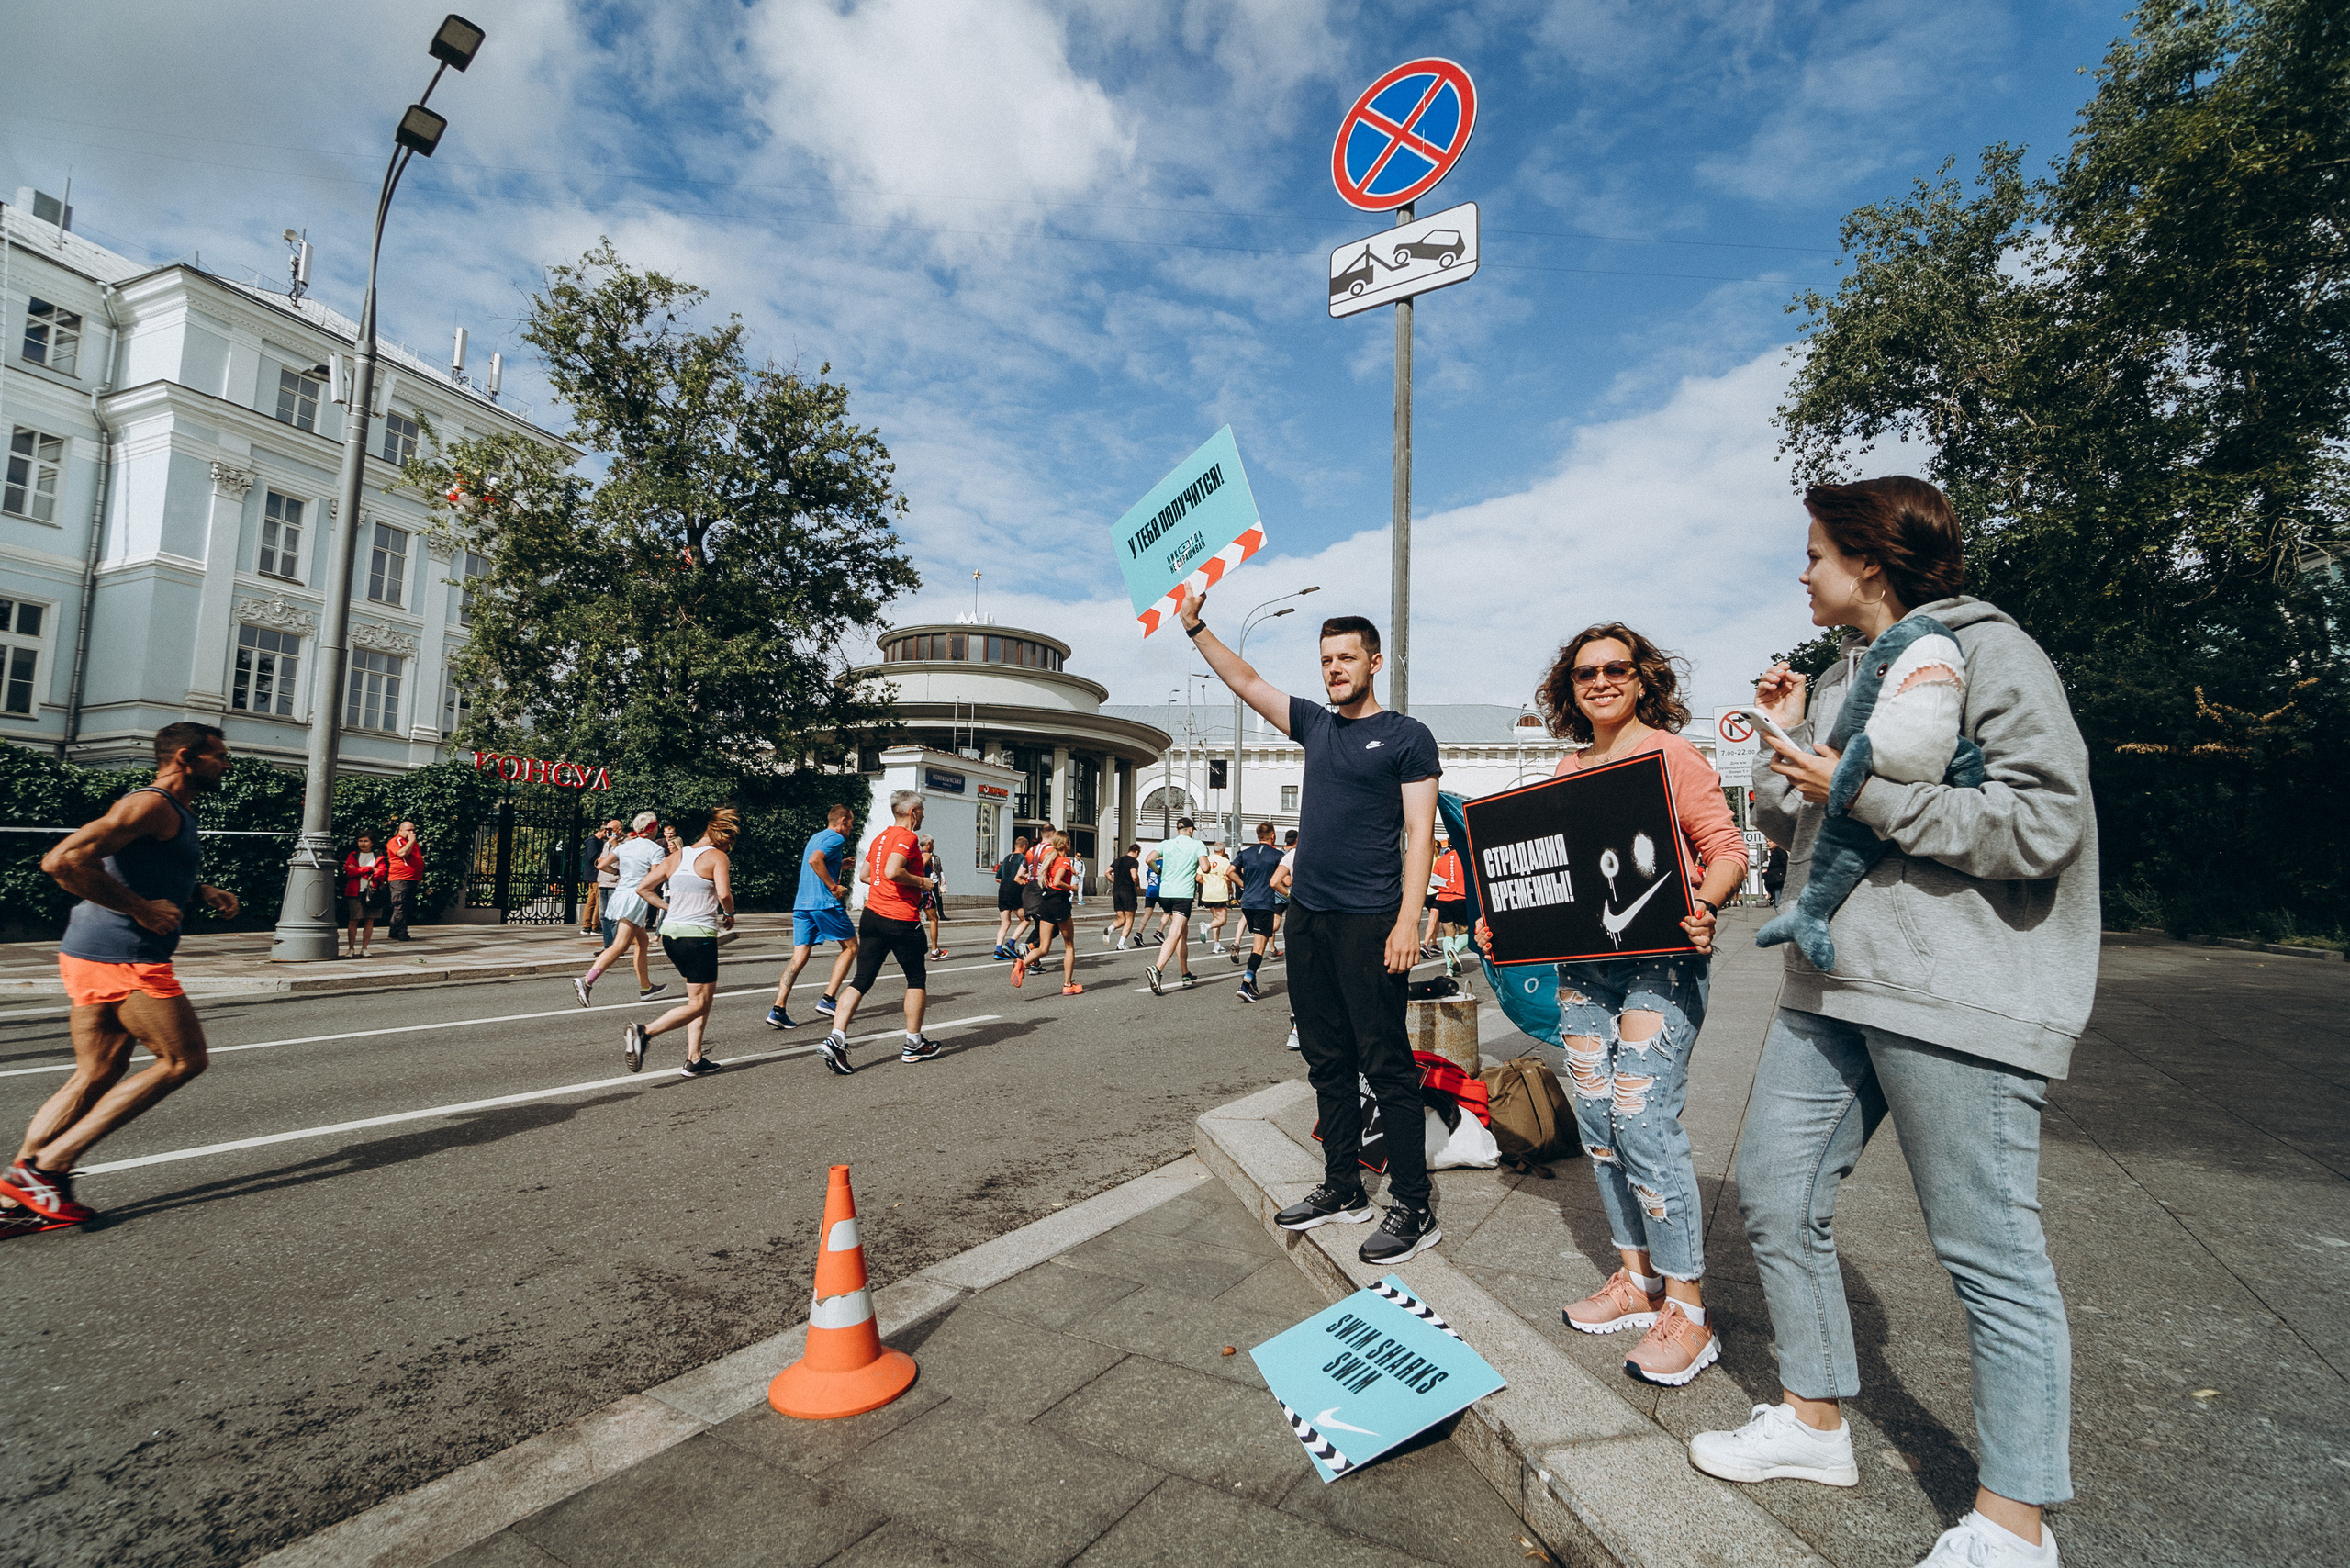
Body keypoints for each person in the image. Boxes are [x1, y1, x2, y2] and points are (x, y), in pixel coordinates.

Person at [1688, 476, 2094, 1568]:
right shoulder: (1834, 677)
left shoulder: (1989, 650)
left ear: (1869, 560)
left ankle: (2014, 1523)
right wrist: (1782, 744)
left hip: (1952, 990)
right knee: (1775, 1195)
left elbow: (2043, 819)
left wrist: (1860, 792)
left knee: (1986, 1248)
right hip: (1830, 986)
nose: (1802, 571)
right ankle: (1815, 1423)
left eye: (1815, 552)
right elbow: (1801, 816)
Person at [1476, 623, 1748, 1388]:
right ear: (1569, 687)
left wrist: (1707, 902)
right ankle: (1637, 1281)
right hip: (1583, 971)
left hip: (1658, 967)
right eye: (1584, 671)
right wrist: (1508, 922)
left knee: (1641, 1119)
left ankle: (1689, 1315)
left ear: (1642, 678)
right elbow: (1552, 878)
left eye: (1615, 669)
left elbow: (1725, 849)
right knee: (1596, 1122)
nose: (1599, 680)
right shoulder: (1567, 767)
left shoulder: (1673, 754)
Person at [1182, 598, 1443, 1266]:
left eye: (1346, 658)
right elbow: (1244, 680)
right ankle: (1343, 1185)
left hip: (1372, 920)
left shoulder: (1407, 736)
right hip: (1311, 921)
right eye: (1325, 660)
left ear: (1374, 662)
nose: (1334, 670)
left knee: (1386, 1064)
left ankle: (1412, 1204)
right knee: (1326, 1059)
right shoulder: (1316, 727)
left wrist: (1408, 920)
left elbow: (1421, 834)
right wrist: (1193, 625)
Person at [1, 723, 237, 1233]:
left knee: (97, 1071)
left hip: (91, 949)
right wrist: (142, 911)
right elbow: (61, 860)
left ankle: (18, 1192)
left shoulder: (171, 811)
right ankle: (48, 1168)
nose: (227, 764)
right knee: (182, 1060)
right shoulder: (151, 804)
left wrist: (198, 891)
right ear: (184, 757)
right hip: (124, 955)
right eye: (220, 756)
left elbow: (137, 867)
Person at [818, 790, 941, 1074]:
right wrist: (921, 881)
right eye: (921, 811)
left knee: (862, 979)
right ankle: (913, 1044)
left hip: (872, 915)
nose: (922, 816)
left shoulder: (881, 837)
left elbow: (865, 875)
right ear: (912, 813)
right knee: (916, 979)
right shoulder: (908, 838)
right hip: (900, 918)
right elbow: (891, 871)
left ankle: (836, 1038)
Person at [624, 809, 739, 1077]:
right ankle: (644, 1032)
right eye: (730, 844)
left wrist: (668, 907)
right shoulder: (717, 857)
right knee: (698, 1003)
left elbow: (642, 888)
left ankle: (694, 1058)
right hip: (698, 937)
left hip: (671, 936)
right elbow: (724, 893)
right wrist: (730, 913)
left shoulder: (677, 856)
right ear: (724, 839)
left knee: (701, 997)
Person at [770, 803, 858, 1028]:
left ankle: (778, 1009)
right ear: (843, 822)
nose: (851, 827)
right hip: (824, 903)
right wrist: (833, 886)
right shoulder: (836, 839)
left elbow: (817, 863)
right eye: (851, 823)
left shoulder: (816, 837)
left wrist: (840, 866)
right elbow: (815, 861)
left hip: (803, 904)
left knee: (798, 957)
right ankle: (828, 1000)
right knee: (851, 947)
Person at [574, 812, 669, 1005]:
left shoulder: (626, 846)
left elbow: (601, 865)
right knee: (621, 945)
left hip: (621, 895)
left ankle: (646, 987)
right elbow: (655, 877)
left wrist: (618, 872)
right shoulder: (655, 849)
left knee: (642, 942)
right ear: (652, 828)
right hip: (636, 898)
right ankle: (586, 981)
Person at [1012, 830, 1083, 994]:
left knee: (1044, 947)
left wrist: (1069, 871)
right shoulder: (1064, 861)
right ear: (1066, 844)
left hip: (1046, 902)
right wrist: (1071, 887)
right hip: (1060, 902)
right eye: (1069, 842)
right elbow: (1058, 881)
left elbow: (1052, 876)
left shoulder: (1050, 859)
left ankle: (1022, 963)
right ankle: (1067, 985)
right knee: (1069, 946)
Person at [1141, 818, 1204, 993]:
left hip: (1166, 893)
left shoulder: (1166, 844)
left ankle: (1185, 973)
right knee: (1175, 933)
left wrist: (1158, 870)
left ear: (1178, 830)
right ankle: (1157, 969)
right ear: (1191, 830)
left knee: (1182, 933)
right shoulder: (1197, 844)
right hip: (1183, 894)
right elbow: (1205, 867)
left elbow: (1148, 859)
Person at [1233, 821, 1284, 1003]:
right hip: (1264, 903)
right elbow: (1285, 880)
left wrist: (1244, 885)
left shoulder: (1245, 853)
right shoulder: (1278, 855)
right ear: (1273, 836)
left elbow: (1230, 871)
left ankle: (1252, 983)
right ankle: (1245, 984)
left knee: (1257, 941)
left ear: (1257, 836)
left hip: (1247, 902)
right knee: (1259, 947)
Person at [1427, 834, 1472, 975]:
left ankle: (1449, 969)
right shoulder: (1465, 859)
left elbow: (1433, 882)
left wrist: (1444, 888)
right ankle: (1455, 950)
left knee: (1448, 934)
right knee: (1466, 931)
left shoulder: (1440, 861)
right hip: (1460, 898)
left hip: (1443, 899)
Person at [341, 831, 387, 958]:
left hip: (372, 892)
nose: (362, 843)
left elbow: (380, 874)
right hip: (355, 891)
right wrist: (370, 869)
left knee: (369, 920)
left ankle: (364, 948)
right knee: (354, 920)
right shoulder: (353, 855)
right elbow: (349, 872)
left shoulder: (378, 856)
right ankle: (351, 949)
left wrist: (359, 871)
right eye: (360, 841)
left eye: (366, 841)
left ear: (372, 842)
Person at [384, 819, 423, 941]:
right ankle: (402, 933)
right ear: (400, 830)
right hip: (399, 878)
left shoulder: (412, 842)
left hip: (412, 878)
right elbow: (402, 853)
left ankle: (394, 931)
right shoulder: (395, 841)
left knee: (405, 906)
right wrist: (411, 841)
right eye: (408, 830)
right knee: (399, 905)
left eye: (413, 830)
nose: (412, 832)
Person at [991, 834, 1030, 959]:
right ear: (1024, 847)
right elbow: (1025, 874)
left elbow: (997, 878)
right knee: (1026, 920)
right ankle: (1011, 943)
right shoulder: (1023, 859)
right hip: (1015, 892)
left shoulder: (1007, 857)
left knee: (1005, 923)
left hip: (1002, 892)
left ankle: (998, 950)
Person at [587, 819, 624, 938]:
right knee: (603, 914)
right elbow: (601, 860)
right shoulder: (606, 843)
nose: (608, 832)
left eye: (610, 830)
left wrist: (616, 846)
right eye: (606, 829)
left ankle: (615, 944)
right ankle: (608, 945)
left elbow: (624, 859)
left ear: (619, 830)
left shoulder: (625, 843)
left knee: (614, 915)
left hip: (616, 883)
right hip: (603, 881)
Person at [1197, 843, 1237, 955]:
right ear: (1223, 851)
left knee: (1216, 919)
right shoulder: (1225, 861)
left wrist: (1208, 882)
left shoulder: (1206, 860)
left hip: (1208, 893)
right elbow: (1228, 877)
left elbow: (1198, 878)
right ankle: (1206, 927)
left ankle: (1216, 944)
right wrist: (1230, 889)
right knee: (1222, 920)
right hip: (1219, 893)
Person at [917, 834, 950, 959]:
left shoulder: (917, 854)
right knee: (934, 919)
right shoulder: (926, 855)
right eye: (933, 844)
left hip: (916, 892)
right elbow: (919, 868)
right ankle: (935, 951)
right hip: (924, 892)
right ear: (929, 844)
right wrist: (922, 883)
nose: (934, 846)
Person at [1104, 843, 1140, 948]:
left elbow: (1107, 872)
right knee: (1129, 919)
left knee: (1121, 918)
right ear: (1136, 852)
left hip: (1116, 891)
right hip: (1128, 891)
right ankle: (1121, 944)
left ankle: (1109, 929)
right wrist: (1137, 883)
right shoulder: (1133, 861)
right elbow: (1134, 875)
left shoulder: (1118, 860)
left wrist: (1114, 881)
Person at [1761, 838, 1788, 907]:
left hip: (1779, 881)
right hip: (1775, 882)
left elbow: (1786, 864)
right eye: (1767, 841)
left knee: (1778, 904)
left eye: (1770, 841)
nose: (1768, 843)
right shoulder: (1774, 852)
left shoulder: (1779, 851)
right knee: (1777, 903)